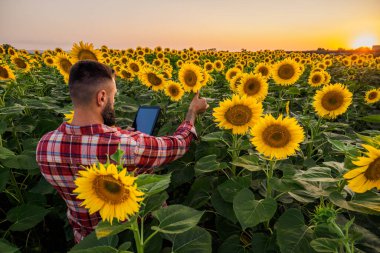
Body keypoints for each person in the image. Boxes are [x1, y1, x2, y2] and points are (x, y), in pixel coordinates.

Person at [36, 60, 208, 243]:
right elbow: (178, 145)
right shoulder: (129, 146)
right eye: (113, 96)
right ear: (101, 97)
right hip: (132, 236)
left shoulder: (45, 146)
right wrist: (192, 112)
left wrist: (119, 133)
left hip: (89, 243)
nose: (114, 102)